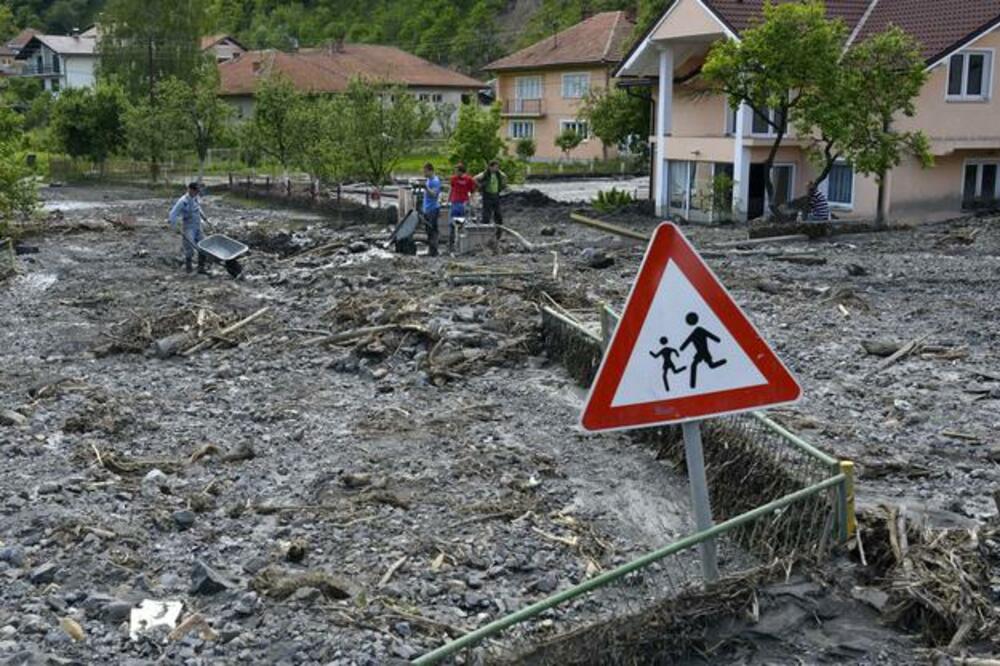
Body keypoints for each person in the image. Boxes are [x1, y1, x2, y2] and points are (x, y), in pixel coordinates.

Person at [680, 312, 727, 389]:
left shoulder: (698, 331)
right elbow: (687, 341)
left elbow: (688, 341)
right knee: (695, 365)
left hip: (704, 352)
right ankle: (692, 386)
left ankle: (724, 361)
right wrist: (682, 348)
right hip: (700, 352)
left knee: (707, 365)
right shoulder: (697, 332)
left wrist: (717, 339)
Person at [169, 182, 208, 275]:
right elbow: (172, 215)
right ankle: (188, 269)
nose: (197, 193)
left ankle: (201, 268)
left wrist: (204, 217)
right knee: (189, 247)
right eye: (196, 191)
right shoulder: (182, 201)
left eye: (198, 191)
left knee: (204, 245)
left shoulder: (195, 198)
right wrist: (176, 227)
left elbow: (198, 208)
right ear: (190, 190)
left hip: (197, 225)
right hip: (189, 226)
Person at [448, 162, 477, 253]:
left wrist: (472, 201)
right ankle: (452, 244)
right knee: (452, 224)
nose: (455, 173)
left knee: (462, 223)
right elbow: (451, 189)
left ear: (461, 171)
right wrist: (448, 200)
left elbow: (473, 190)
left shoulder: (468, 179)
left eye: (457, 171)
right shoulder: (453, 179)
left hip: (463, 203)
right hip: (455, 203)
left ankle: (460, 244)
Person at [475, 160, 507, 241]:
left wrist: (503, 185)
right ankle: (484, 235)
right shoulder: (485, 174)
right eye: (495, 167)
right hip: (487, 196)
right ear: (490, 167)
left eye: (497, 167)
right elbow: (475, 179)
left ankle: (498, 235)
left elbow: (505, 177)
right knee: (486, 215)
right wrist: (480, 186)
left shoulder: (499, 174)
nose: (496, 168)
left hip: (496, 195)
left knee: (498, 215)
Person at [422, 163, 442, 257]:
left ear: (430, 170)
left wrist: (426, 188)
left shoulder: (435, 181)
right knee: (428, 230)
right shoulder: (428, 180)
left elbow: (434, 194)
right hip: (427, 208)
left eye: (425, 171)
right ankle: (431, 250)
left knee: (433, 230)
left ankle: (434, 251)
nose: (424, 173)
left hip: (433, 208)